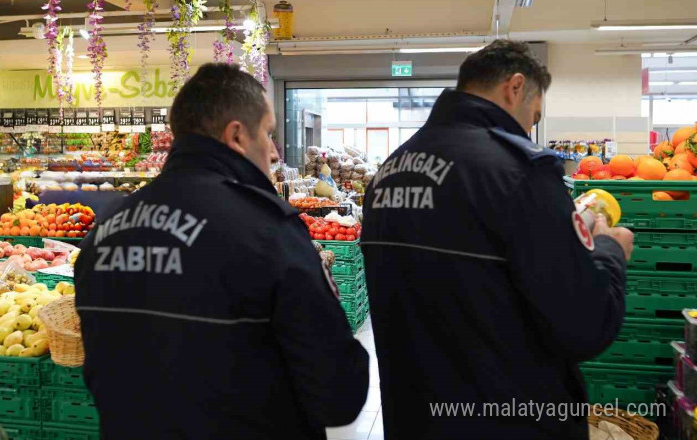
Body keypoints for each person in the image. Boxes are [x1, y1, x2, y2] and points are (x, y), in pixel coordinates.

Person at [74, 63, 369, 440]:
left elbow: (100, 371)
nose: (275, 153)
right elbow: (339, 394)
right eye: (268, 134)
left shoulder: (106, 230)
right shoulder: (266, 229)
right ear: (236, 136)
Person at [360, 40, 633, 440]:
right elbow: (586, 325)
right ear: (515, 87)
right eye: (533, 117)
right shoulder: (518, 172)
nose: (530, 129)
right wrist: (610, 249)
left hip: (413, 418)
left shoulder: (389, 171)